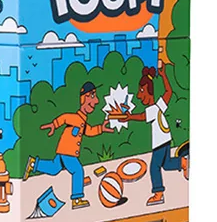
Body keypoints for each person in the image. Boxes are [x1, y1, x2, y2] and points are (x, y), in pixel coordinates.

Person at [23, 81, 113, 209]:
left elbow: (89, 131)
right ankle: (77, 199)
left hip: (63, 151)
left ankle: (34, 164)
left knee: (54, 168)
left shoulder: (82, 121)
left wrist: (101, 129)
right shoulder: (75, 118)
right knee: (78, 170)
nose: (96, 101)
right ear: (84, 98)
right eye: (93, 96)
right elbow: (64, 118)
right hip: (67, 152)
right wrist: (54, 124)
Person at [122, 61, 189, 205]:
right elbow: (168, 92)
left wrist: (129, 117)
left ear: (149, 91)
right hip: (165, 139)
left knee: (154, 167)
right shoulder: (159, 105)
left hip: (160, 142)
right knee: (166, 164)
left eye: (141, 91)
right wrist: (164, 75)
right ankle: (183, 162)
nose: (139, 96)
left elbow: (142, 116)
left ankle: (158, 193)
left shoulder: (153, 109)